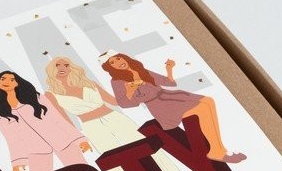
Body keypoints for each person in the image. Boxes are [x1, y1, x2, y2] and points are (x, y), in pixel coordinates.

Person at [45, 56, 200, 171]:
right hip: (93, 128)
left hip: (116, 119)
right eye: (57, 65)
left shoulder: (89, 84)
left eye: (66, 64)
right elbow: (64, 119)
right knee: (119, 167)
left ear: (71, 67)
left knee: (149, 153)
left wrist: (129, 90)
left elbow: (114, 101)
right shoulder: (51, 94)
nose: (62, 67)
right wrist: (79, 139)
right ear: (52, 69)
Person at [99, 50, 246, 163]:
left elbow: (168, 82)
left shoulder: (140, 70)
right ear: (110, 68)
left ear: (124, 57)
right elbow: (124, 104)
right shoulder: (117, 81)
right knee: (201, 108)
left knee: (208, 101)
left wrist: (169, 68)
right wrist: (130, 91)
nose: (118, 62)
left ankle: (217, 148)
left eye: (118, 58)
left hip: (171, 96)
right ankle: (216, 150)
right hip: (159, 106)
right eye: (113, 62)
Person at [0, 70, 91, 171]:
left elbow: (58, 119)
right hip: (35, 150)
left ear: (17, 83)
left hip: (63, 141)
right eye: (3, 79)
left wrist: (79, 139)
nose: (7, 82)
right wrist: (18, 161)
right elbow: (11, 137)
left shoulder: (36, 97)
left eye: (12, 79)